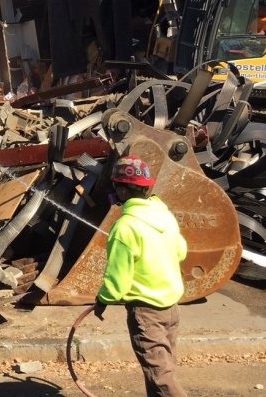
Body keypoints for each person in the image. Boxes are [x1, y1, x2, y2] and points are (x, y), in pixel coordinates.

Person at [95, 156, 188, 397]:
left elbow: (119, 278)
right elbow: (181, 251)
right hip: (171, 309)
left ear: (123, 190)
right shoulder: (165, 216)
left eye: (117, 186)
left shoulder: (125, 227)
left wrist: (103, 299)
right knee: (161, 371)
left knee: (161, 377)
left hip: (146, 313)